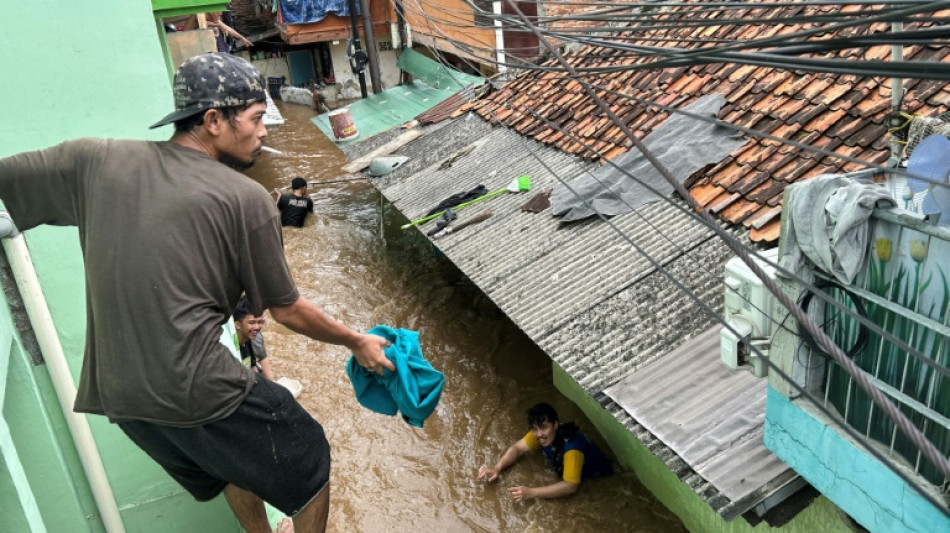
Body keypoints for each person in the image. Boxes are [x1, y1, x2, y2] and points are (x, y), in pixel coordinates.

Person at [0, 52, 394, 533]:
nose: (265, 131)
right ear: (213, 120)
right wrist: (357, 341)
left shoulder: (96, 160)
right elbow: (288, 310)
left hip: (120, 399)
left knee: (233, 463)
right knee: (310, 454)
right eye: (255, 119)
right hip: (198, 389)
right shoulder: (246, 200)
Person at [478, 402, 613, 502]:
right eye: (534, 429)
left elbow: (571, 486)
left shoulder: (572, 449)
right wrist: (497, 468)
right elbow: (517, 449)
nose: (539, 434)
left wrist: (531, 492)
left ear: (555, 424)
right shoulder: (540, 433)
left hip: (599, 479)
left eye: (543, 428)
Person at [234, 297, 275, 381]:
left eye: (259, 322)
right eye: (251, 322)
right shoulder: (230, 348)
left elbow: (253, 367)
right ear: (237, 325)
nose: (257, 327)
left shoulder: (248, 338)